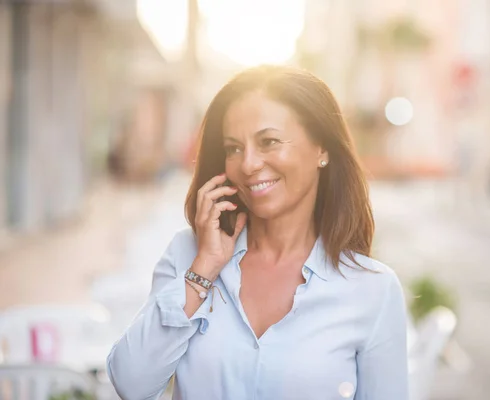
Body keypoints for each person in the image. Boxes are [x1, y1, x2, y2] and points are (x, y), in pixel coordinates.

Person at [106, 65, 408, 400]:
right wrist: (202, 271)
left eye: (269, 141)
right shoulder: (187, 254)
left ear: (322, 148)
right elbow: (130, 384)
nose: (248, 164)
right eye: (233, 148)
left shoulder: (372, 290)